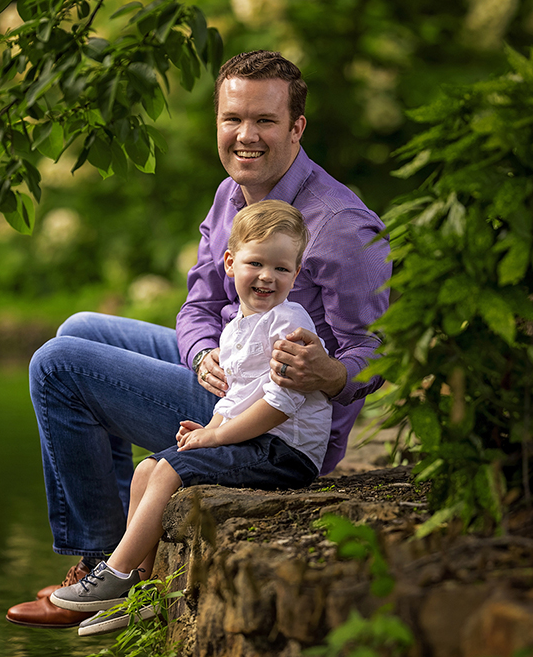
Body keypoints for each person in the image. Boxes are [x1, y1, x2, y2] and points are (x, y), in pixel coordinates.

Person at [6, 50, 391, 629]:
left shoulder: (339, 225)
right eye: (233, 118)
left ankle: (106, 569)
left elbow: (379, 350)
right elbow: (199, 306)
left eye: (264, 120)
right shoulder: (230, 195)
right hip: (229, 365)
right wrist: (200, 352)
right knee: (80, 328)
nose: (246, 136)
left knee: (58, 364)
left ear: (296, 127)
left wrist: (330, 373)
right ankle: (111, 557)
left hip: (272, 418)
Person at [49, 201, 332, 636]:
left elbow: (280, 404)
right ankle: (141, 592)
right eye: (255, 263)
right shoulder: (238, 327)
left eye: (282, 268)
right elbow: (235, 393)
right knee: (145, 469)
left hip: (285, 452)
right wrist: (213, 427)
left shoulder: (289, 323)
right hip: (253, 440)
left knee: (166, 470)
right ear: (230, 263)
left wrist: (219, 439)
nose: (267, 277)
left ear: (296, 274)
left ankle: (115, 572)